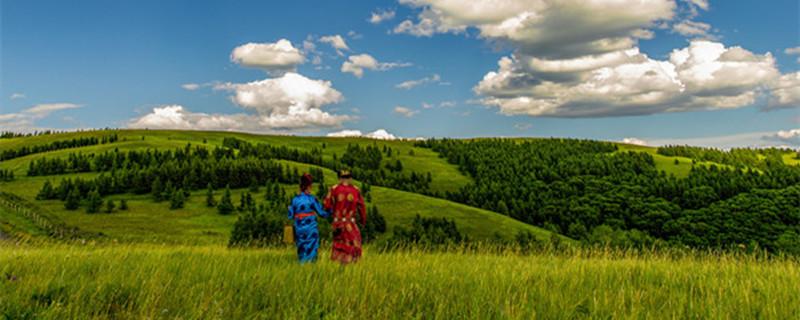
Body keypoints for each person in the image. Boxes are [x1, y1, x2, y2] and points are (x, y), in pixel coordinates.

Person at [324, 169, 366, 264]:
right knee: (354, 244)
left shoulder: (334, 189)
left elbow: (326, 205)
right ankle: (351, 268)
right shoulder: (356, 190)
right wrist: (363, 221)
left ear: (339, 178)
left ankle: (339, 268)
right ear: (350, 178)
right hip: (350, 223)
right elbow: (362, 207)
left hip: (338, 223)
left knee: (340, 245)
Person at [288, 173, 329, 263]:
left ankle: (302, 266)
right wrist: (332, 210)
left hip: (299, 229)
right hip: (311, 228)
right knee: (312, 247)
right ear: (309, 186)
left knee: (301, 247)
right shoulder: (312, 199)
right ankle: (311, 267)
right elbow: (322, 214)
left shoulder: (295, 199)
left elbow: (290, 216)